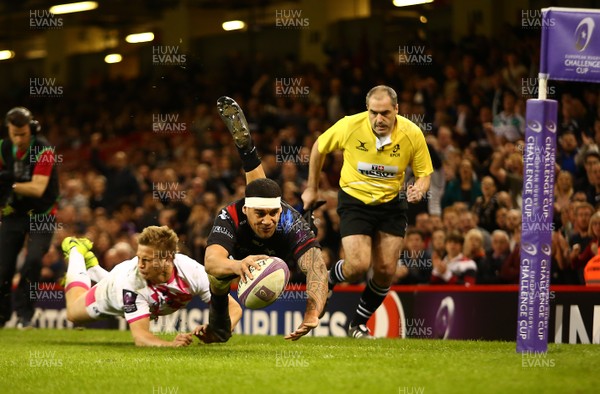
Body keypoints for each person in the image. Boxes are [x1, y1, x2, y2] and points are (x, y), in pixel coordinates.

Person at [301, 85, 433, 338]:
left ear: (396, 109)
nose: (379, 119)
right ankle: (329, 278)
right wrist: (312, 188)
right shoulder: (350, 125)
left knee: (385, 271)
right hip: (355, 201)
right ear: (367, 109)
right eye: (374, 112)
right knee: (358, 265)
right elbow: (319, 147)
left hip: (391, 204)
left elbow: (424, 173)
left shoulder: (412, 133)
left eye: (385, 113)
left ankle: (358, 324)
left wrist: (419, 187)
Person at [198, 96, 328, 343]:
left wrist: (312, 312)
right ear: (246, 210)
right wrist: (238, 265)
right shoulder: (230, 214)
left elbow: (317, 268)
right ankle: (219, 326)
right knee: (217, 278)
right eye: (260, 214)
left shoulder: (290, 219)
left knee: (313, 257)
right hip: (237, 254)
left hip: (280, 252)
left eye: (273, 213)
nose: (268, 220)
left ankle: (248, 152)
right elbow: (212, 261)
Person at [61, 226, 242, 346]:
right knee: (73, 314)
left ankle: (93, 267)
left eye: (146, 260)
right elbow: (140, 337)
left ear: (167, 259)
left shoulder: (192, 271)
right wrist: (170, 345)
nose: (140, 264)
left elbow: (234, 309)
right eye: (139, 257)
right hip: (112, 289)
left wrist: (220, 329)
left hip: (133, 291)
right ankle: (76, 250)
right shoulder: (131, 282)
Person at [0, 107, 60, 329]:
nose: (18, 139)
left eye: (23, 134)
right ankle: (1, 316)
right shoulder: (3, 147)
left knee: (33, 260)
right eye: (14, 133)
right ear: (9, 130)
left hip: (42, 214)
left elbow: (37, 187)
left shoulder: (43, 149)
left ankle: (25, 316)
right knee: (3, 267)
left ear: (31, 130)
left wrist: (10, 184)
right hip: (13, 213)